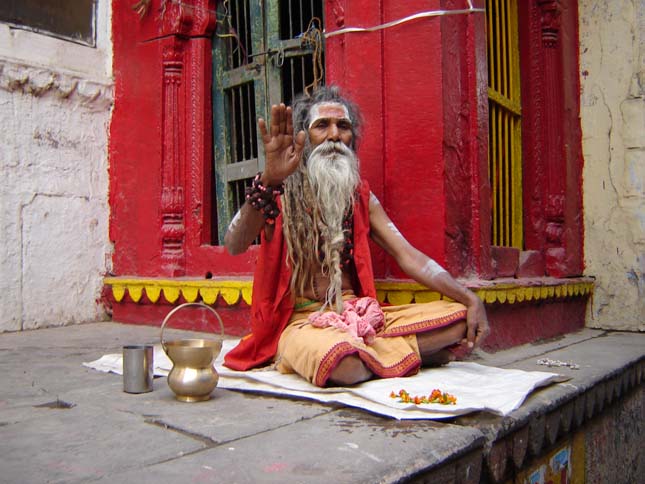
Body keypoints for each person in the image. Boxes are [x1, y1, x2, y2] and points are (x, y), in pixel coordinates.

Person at [223, 86, 489, 387]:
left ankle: (370, 354)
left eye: (343, 126)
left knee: (458, 318)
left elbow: (408, 255)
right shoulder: (276, 192)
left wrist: (469, 297)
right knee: (345, 367)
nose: (334, 135)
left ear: (353, 138)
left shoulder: (359, 196)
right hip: (300, 322)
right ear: (304, 138)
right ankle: (406, 354)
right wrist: (269, 181)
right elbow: (234, 244)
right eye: (322, 126)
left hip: (358, 316)